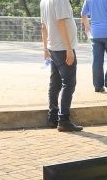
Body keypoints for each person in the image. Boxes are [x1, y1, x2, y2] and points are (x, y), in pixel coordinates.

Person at [41, 0, 83, 131]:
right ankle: (63, 120)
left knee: (55, 83)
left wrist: (45, 48)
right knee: (69, 83)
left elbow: (43, 26)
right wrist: (69, 49)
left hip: (53, 47)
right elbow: (61, 22)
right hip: (63, 48)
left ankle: (53, 117)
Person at [80, 0, 107, 93]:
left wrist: (87, 27)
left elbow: (83, 14)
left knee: (97, 60)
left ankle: (98, 86)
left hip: (95, 34)